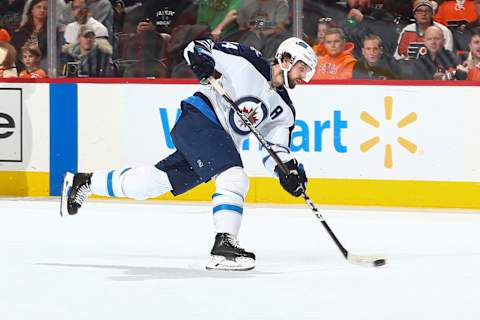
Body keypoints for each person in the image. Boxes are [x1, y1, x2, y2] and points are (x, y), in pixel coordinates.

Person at [60, 37, 317, 271]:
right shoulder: (246, 59)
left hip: (216, 143)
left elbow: (276, 151)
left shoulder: (285, 111)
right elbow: (197, 46)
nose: (304, 77)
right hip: (199, 118)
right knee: (234, 175)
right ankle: (224, 247)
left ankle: (84, 182)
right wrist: (201, 60)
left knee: (150, 183)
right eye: (302, 68)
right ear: (286, 59)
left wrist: (289, 172)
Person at [10, 0, 47, 70]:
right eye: (39, 7)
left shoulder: (51, 34)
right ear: (32, 10)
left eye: (45, 8)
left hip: (43, 70)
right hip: (21, 71)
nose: (42, 10)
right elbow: (13, 55)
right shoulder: (20, 33)